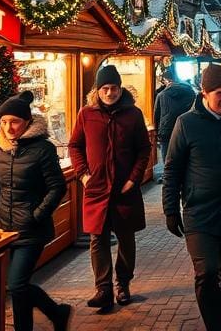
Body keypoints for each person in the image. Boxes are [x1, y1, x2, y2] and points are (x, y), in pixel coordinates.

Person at [163, 64, 221, 331]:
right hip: (199, 212)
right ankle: (218, 326)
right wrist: (170, 209)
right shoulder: (186, 123)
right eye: (220, 93)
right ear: (204, 93)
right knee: (206, 272)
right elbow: (172, 168)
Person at [0, 91, 72, 331]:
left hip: (32, 230)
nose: (8, 128)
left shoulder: (42, 149)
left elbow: (57, 187)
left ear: (27, 122)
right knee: (17, 288)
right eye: (3, 122)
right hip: (3, 228)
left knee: (17, 284)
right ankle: (56, 315)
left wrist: (37, 215)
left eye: (14, 122)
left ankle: (57, 312)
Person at [69, 64, 152, 313]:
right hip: (96, 189)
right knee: (98, 239)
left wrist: (133, 179)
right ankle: (103, 289)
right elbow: (75, 145)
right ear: (97, 90)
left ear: (120, 88)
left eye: (113, 88)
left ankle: (123, 284)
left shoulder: (133, 114)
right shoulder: (86, 114)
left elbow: (144, 149)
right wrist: (83, 175)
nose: (109, 93)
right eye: (104, 88)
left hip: (124, 190)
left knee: (126, 239)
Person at [153, 66, 196, 176]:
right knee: (185, 157)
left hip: (166, 131)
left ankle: (169, 178)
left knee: (168, 160)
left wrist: (157, 133)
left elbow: (156, 115)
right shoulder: (190, 92)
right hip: (186, 129)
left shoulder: (161, 95)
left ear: (166, 80)